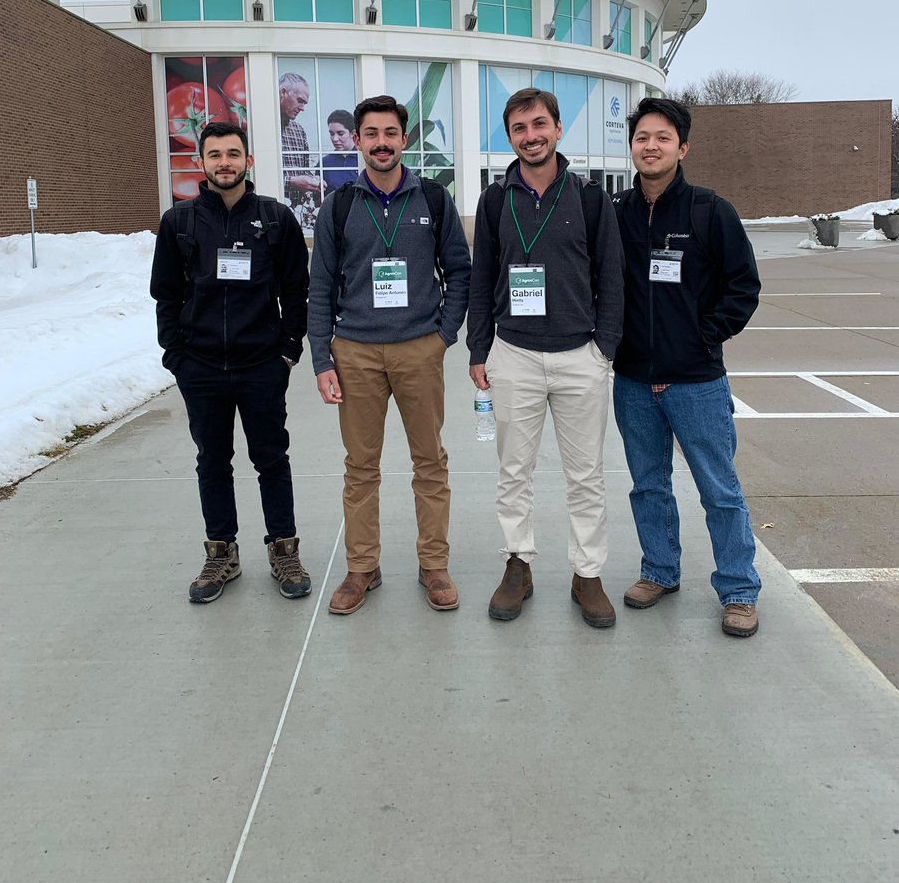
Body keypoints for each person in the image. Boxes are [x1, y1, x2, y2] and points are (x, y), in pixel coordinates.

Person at [467, 88, 625, 628]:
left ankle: (588, 574)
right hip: (513, 356)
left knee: (586, 476)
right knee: (513, 470)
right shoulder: (495, 199)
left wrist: (603, 348)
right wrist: (478, 348)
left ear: (558, 129)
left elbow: (611, 278)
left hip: (580, 355)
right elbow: (482, 279)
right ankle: (518, 563)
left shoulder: (588, 197)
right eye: (519, 128)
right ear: (509, 137)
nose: (530, 136)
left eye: (539, 124)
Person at [308, 95, 471, 616]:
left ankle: (433, 564)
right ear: (357, 141)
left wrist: (441, 337)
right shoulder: (339, 205)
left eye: (391, 133)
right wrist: (322, 358)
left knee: (430, 462)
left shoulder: (433, 200)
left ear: (405, 139)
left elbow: (460, 272)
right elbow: (321, 287)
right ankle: (362, 568)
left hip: (418, 350)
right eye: (371, 133)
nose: (381, 142)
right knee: (361, 467)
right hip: (354, 351)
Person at [611, 95, 762, 637]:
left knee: (719, 488)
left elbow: (743, 286)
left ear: (683, 147)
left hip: (696, 381)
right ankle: (659, 571)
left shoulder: (708, 210)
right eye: (641, 138)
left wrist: (703, 336)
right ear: (631, 147)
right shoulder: (618, 213)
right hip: (631, 380)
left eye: (662, 138)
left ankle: (739, 589)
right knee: (648, 484)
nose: (650, 147)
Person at [150, 121, 312, 604]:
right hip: (200, 368)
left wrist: (286, 351)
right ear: (202, 163)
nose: (225, 162)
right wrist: (176, 356)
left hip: (262, 365)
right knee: (212, 461)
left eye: (233, 153)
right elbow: (165, 294)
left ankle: (283, 548)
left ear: (249, 161)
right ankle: (222, 552)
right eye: (215, 154)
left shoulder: (276, 218)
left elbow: (295, 292)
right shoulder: (179, 221)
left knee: (271, 459)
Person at [279, 72, 320, 201]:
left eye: (305, 103)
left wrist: (314, 180)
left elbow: (305, 169)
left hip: (297, 211)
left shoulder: (299, 131)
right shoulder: (261, 128)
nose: (302, 108)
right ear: (283, 93)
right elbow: (258, 174)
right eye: (300, 101)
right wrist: (290, 182)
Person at [321, 108, 359, 191]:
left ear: (353, 133)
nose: (335, 139)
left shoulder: (363, 160)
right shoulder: (324, 163)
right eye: (331, 133)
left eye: (340, 133)